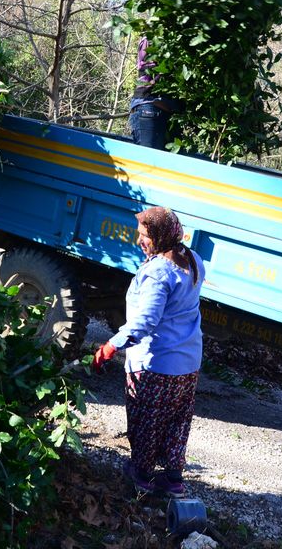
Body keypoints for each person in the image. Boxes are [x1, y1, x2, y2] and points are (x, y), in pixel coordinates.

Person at [92, 206, 204, 497]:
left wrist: (110, 346)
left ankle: (140, 478)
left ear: (162, 236)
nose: (139, 240)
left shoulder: (158, 272)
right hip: (187, 363)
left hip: (156, 363)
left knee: (146, 422)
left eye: (145, 236)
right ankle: (173, 479)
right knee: (177, 422)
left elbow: (144, 322)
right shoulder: (193, 260)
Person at [127, 37, 180, 150]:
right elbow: (148, 65)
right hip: (150, 106)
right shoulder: (153, 38)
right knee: (148, 161)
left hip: (166, 111)